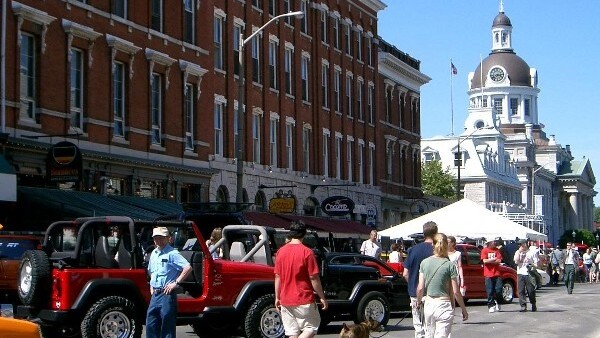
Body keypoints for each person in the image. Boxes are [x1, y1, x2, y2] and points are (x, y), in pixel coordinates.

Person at [274, 221, 328, 338]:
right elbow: (314, 278)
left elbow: (278, 277)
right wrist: (322, 297)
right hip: (303, 298)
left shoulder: (280, 252)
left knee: (292, 333)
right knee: (311, 327)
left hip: (286, 299)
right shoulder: (307, 252)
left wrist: (277, 297)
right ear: (304, 234)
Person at [416, 233, 468, 337]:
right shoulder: (450, 265)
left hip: (429, 304)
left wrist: (418, 302)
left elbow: (420, 287)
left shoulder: (424, 263)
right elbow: (456, 292)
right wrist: (463, 309)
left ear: (433, 245)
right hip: (444, 305)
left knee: (429, 335)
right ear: (446, 245)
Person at [146, 227, 192, 338]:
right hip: (155, 295)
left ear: (168, 238)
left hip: (167, 295)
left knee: (167, 328)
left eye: (161, 238)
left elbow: (187, 267)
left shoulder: (172, 253)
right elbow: (151, 270)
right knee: (150, 325)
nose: (158, 240)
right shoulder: (154, 253)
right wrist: (152, 286)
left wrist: (175, 283)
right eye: (156, 238)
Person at [403, 221, 438, 338]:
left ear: (423, 233)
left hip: (414, 292)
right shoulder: (436, 250)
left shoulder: (413, 250)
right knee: (431, 328)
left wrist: (413, 284)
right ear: (436, 233)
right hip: (432, 293)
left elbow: (405, 274)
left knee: (418, 328)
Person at [513, 239, 538, 312]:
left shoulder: (532, 252)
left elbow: (536, 264)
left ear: (525, 244)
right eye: (519, 245)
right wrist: (519, 253)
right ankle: (523, 306)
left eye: (522, 244)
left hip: (529, 273)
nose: (520, 246)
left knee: (530, 291)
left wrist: (531, 264)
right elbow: (516, 261)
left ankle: (533, 303)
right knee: (521, 291)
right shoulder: (517, 252)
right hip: (520, 273)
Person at [481, 238, 503, 313]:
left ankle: (498, 301)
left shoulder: (497, 250)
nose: (495, 243)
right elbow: (484, 261)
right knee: (489, 291)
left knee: (499, 290)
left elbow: (499, 260)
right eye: (494, 242)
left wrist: (490, 261)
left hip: (497, 273)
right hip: (488, 274)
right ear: (490, 243)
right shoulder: (484, 250)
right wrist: (494, 260)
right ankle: (491, 305)